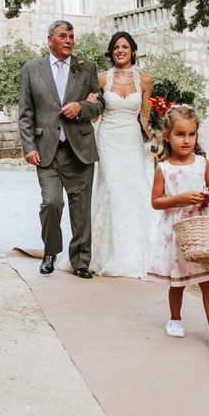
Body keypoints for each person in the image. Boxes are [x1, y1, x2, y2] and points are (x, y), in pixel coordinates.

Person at [18, 20, 104, 278]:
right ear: (50, 40)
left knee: (81, 208)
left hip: (80, 148)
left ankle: (80, 261)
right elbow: (25, 113)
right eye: (63, 36)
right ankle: (50, 252)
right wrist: (28, 146)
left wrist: (81, 107)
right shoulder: (32, 69)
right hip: (46, 151)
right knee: (51, 203)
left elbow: (99, 104)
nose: (69, 40)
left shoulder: (86, 67)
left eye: (71, 36)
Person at [147, 105, 209, 349]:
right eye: (180, 134)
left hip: (201, 228)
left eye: (192, 134)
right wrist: (180, 198)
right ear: (168, 135)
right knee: (179, 279)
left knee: (208, 279)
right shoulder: (163, 168)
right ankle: (175, 319)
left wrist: (208, 197)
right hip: (177, 229)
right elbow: (156, 202)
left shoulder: (203, 163)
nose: (187, 140)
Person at [84, 31, 154, 278]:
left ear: (133, 50)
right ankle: (107, 253)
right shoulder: (101, 78)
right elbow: (94, 117)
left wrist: (157, 141)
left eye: (125, 46)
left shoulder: (145, 80)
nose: (120, 50)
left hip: (132, 139)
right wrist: (91, 101)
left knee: (135, 188)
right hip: (108, 138)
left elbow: (145, 118)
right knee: (112, 189)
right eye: (116, 47)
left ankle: (137, 251)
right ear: (111, 52)